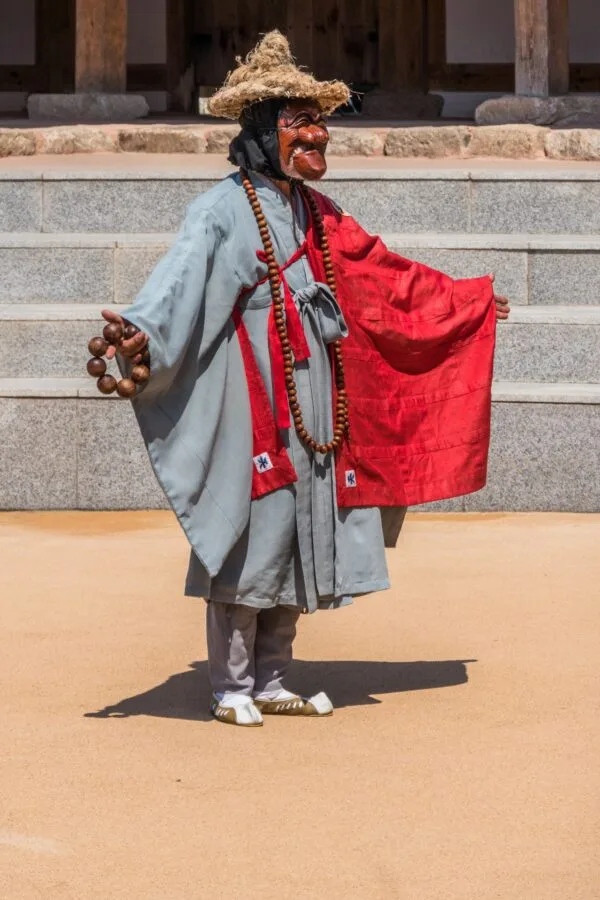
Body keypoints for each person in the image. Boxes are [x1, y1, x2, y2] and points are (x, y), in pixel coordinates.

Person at [99, 31, 510, 727]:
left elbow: (385, 273)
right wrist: (141, 334)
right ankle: (230, 684)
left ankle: (273, 676)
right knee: (251, 532)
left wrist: (461, 301)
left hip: (313, 391)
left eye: (318, 121)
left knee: (301, 528)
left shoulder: (315, 212)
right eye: (300, 123)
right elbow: (177, 285)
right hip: (251, 389)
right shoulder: (222, 210)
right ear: (263, 132)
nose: (318, 135)